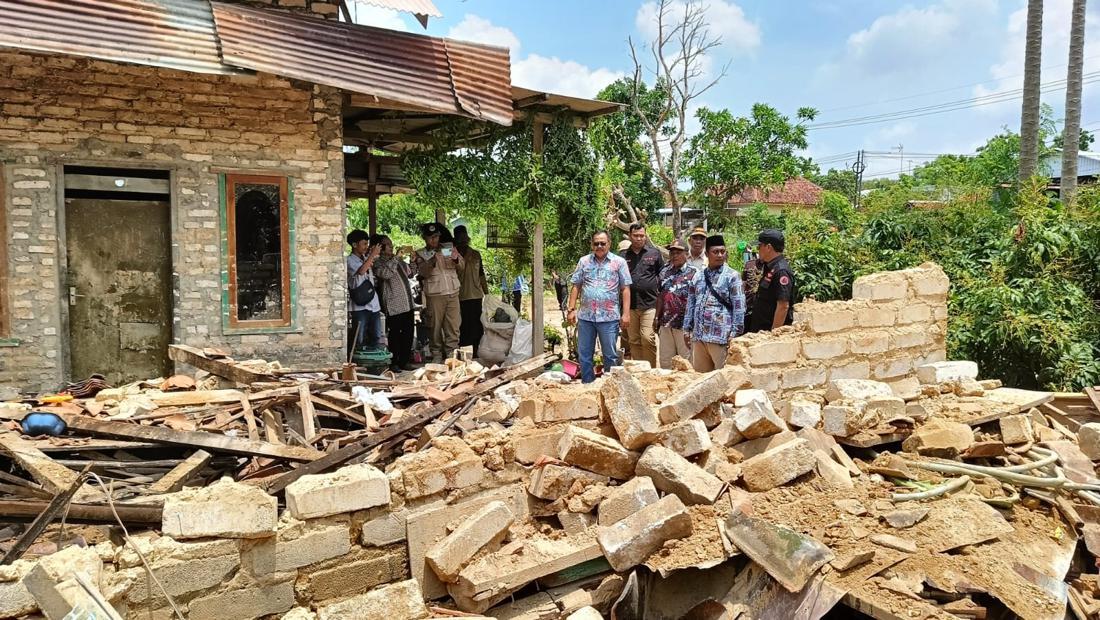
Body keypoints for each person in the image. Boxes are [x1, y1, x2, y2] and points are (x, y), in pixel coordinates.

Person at [566, 231, 632, 383]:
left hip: (609, 318)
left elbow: (625, 289)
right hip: (586, 317)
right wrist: (571, 309)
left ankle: (609, 386)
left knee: (609, 355)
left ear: (609, 244)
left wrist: (626, 314)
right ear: (592, 245)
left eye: (603, 243)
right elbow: (576, 285)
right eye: (596, 243)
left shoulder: (619, 262)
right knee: (584, 354)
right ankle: (588, 385)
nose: (599, 246)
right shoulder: (584, 262)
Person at [683, 234, 746, 372]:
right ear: (707, 254)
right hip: (699, 337)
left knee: (723, 378)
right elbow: (691, 303)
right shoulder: (698, 275)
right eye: (715, 252)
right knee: (701, 378)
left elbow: (739, 307)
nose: (719, 255)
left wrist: (735, 333)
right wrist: (687, 329)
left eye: (722, 251)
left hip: (721, 338)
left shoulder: (732, 276)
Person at [414, 222, 463, 362]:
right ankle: (436, 353)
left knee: (453, 325)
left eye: (436, 237)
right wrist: (432, 260)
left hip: (452, 292)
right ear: (425, 238)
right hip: (435, 294)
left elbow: (462, 266)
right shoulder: (421, 253)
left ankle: (451, 353)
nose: (434, 240)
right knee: (435, 326)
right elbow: (424, 272)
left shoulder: (448, 248)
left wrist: (456, 258)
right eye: (430, 237)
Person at [372, 235, 417, 371]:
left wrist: (413, 261)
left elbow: (411, 274)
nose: (391, 247)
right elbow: (386, 274)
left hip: (407, 303)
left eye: (391, 244)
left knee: (408, 333)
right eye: (388, 245)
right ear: (380, 247)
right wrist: (396, 258)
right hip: (393, 304)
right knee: (395, 335)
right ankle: (394, 362)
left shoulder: (398, 261)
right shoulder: (378, 262)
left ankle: (404, 361)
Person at [622, 223, 663, 367]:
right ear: (629, 236)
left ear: (645, 236)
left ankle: (650, 369)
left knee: (647, 337)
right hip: (630, 306)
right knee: (633, 339)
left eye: (642, 236)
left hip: (650, 304)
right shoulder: (622, 257)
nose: (639, 238)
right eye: (636, 236)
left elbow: (661, 276)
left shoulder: (654, 254)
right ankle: (640, 369)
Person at [654, 239, 697, 369]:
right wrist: (656, 317)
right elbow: (660, 296)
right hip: (666, 323)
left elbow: (698, 299)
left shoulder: (694, 273)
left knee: (686, 361)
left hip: (684, 325)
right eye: (672, 252)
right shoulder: (664, 272)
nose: (674, 255)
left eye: (678, 252)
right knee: (666, 361)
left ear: (687, 254)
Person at [748, 228, 796, 333]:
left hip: (769, 333)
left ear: (768, 247)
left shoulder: (781, 271)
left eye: (759, 246)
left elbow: (783, 306)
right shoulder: (770, 267)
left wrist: (774, 335)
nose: (757, 249)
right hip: (760, 330)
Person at [454, 225, 489, 357]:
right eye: (460, 236)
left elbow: (481, 274)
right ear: (455, 238)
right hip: (459, 295)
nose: (463, 239)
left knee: (476, 324)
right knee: (462, 325)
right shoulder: (453, 255)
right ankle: (463, 353)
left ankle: (476, 351)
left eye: (464, 236)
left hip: (475, 295)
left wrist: (487, 293)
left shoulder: (475, 254)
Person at [346, 229, 382, 352]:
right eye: (364, 244)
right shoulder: (349, 260)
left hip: (374, 304)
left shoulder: (366, 258)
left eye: (367, 244)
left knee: (376, 335)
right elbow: (361, 271)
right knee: (359, 337)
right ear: (354, 245)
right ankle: (357, 363)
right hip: (359, 305)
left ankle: (373, 363)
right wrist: (372, 256)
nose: (366, 247)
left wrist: (372, 255)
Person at [741, 241, 764, 331]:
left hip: (762, 310)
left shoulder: (770, 266)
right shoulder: (749, 264)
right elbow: (743, 283)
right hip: (748, 306)